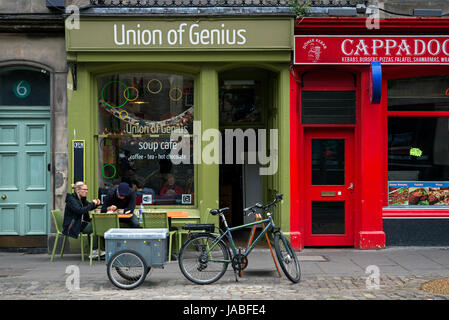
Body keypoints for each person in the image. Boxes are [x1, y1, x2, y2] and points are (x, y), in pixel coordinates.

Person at [62, 182, 102, 258]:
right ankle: (94, 251)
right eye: (84, 189)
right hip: (73, 225)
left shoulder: (81, 199)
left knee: (96, 226)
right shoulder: (71, 200)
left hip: (80, 223)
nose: (86, 191)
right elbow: (80, 210)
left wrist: (96, 204)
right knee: (96, 228)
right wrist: (92, 204)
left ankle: (94, 250)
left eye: (87, 189)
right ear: (77, 190)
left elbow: (88, 206)